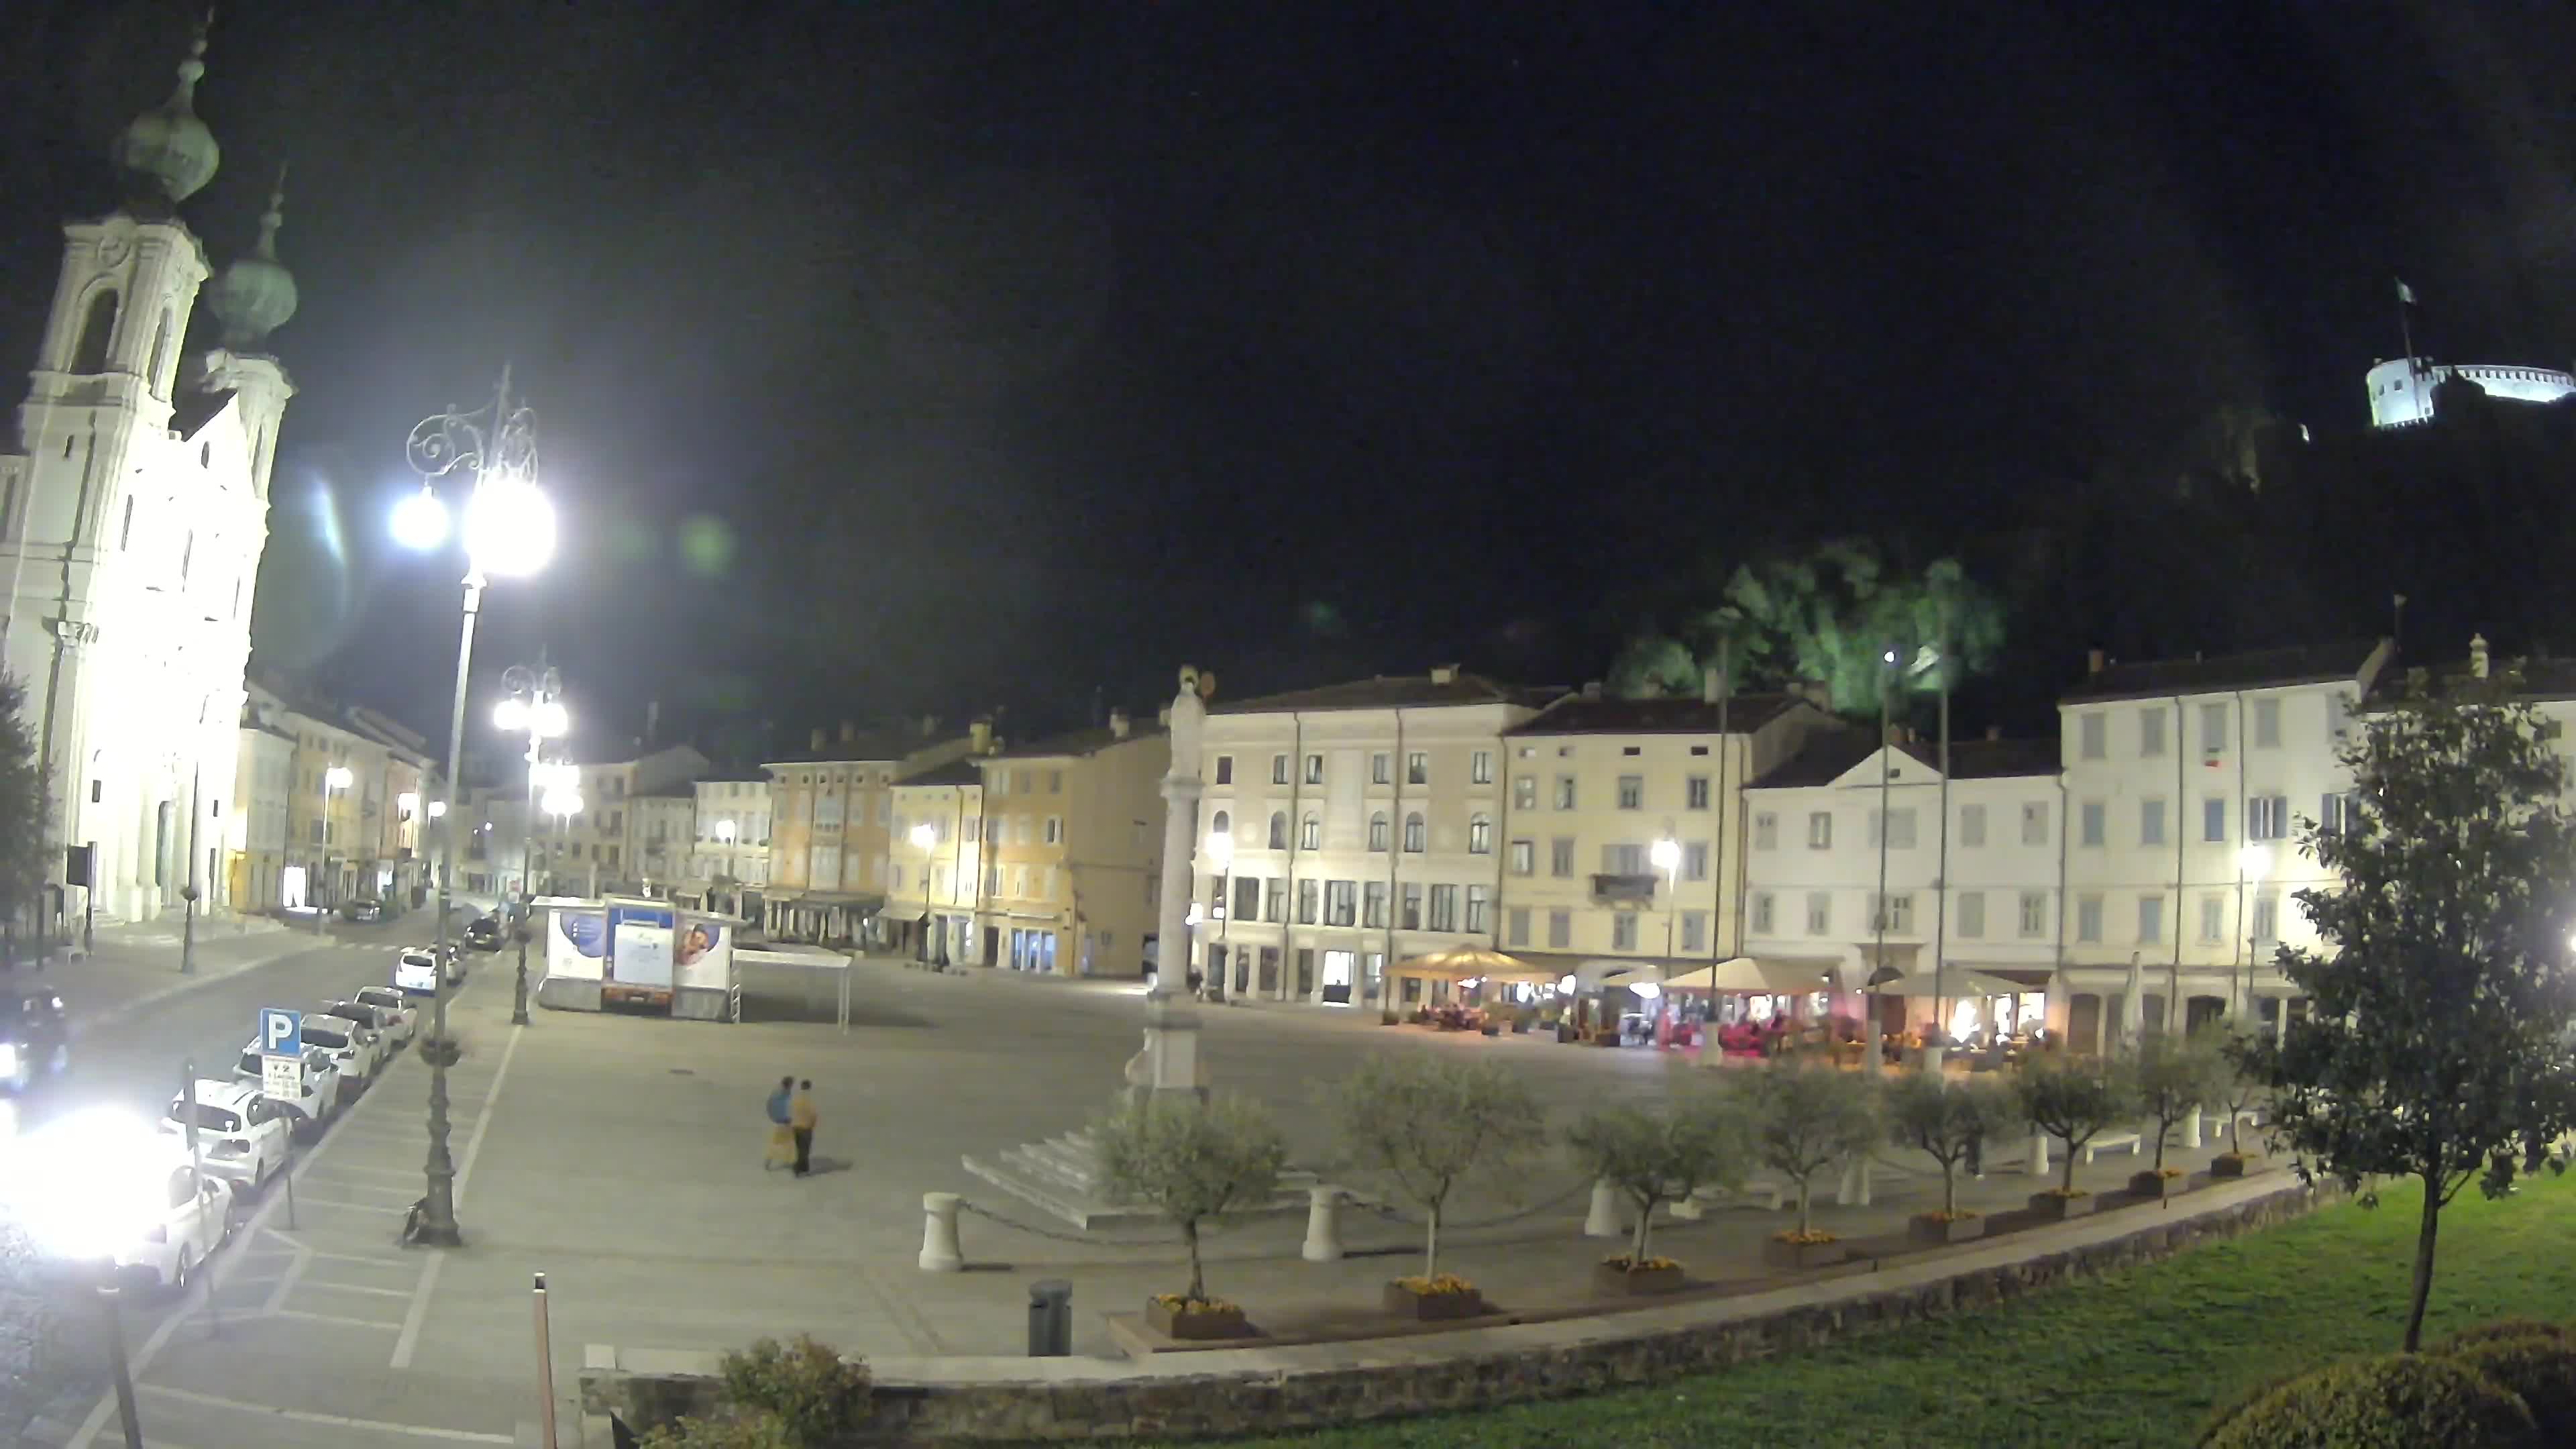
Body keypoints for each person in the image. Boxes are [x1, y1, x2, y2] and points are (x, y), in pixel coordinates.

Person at [788, 1078, 818, 1177]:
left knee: (799, 1148)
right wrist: (812, 1125)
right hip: (806, 1127)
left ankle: (804, 1168)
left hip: (796, 1126)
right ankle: (799, 1169)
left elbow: (791, 1111)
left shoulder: (796, 1098)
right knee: (805, 1149)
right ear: (809, 1087)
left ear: (801, 1086)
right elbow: (814, 1114)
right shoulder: (810, 1099)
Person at [763, 1075, 794, 1171]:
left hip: (783, 1121)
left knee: (787, 1142)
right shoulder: (781, 1094)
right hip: (783, 1122)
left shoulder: (782, 1092)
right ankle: (768, 1161)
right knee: (782, 1142)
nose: (792, 1086)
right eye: (791, 1084)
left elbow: (770, 1106)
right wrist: (778, 1118)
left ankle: (786, 1161)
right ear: (789, 1084)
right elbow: (773, 1106)